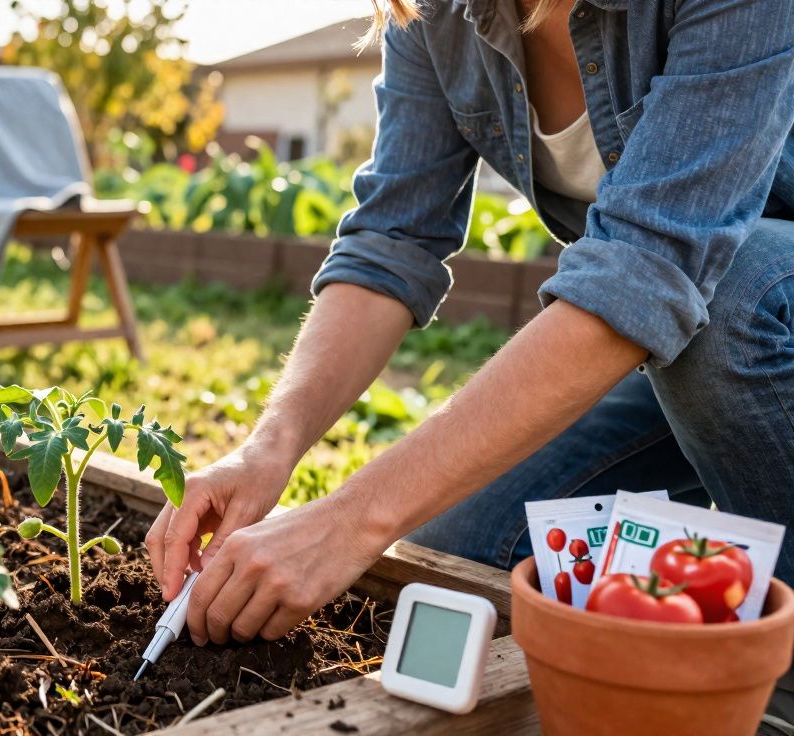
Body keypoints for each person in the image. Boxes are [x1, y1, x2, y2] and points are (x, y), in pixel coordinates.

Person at [144, 0, 794, 654]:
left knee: (733, 299)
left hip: (748, 318)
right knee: (464, 551)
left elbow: (647, 271)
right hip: (677, 352)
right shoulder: (440, 14)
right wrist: (267, 448)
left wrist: (350, 520)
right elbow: (392, 241)